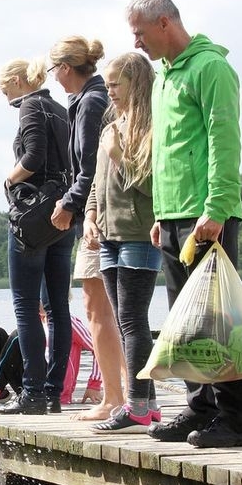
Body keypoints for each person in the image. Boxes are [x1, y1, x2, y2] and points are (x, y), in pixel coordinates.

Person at [127, 0, 242, 447]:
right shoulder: (163, 76)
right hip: (174, 216)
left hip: (206, 215)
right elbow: (169, 154)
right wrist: (162, 214)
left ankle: (237, 421)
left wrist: (216, 208)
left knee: (218, 320)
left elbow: (225, 142)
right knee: (184, 322)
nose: (137, 42)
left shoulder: (211, 68)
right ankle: (200, 408)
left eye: (140, 33)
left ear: (165, 23)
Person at [82, 52, 163, 432]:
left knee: (133, 320)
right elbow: (98, 183)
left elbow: (152, 186)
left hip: (138, 234)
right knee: (122, 319)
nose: (109, 90)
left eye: (116, 83)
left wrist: (121, 156)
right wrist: (89, 217)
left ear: (137, 83)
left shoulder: (151, 127)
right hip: (109, 236)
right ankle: (149, 404)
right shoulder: (110, 127)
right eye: (108, 83)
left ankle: (137, 405)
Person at [47, 35, 126, 422]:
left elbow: (91, 169)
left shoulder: (91, 102)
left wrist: (70, 203)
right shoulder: (89, 99)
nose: (55, 79)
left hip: (100, 217)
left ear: (65, 68)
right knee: (102, 306)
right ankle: (121, 394)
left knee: (99, 308)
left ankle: (115, 397)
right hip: (97, 215)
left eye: (54, 71)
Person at [0, 58, 74, 415]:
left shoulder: (30, 106)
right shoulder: (59, 107)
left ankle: (32, 393)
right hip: (62, 213)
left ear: (16, 80)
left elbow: (33, 156)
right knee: (58, 307)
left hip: (32, 216)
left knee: (26, 306)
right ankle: (54, 392)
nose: (3, 94)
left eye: (3, 87)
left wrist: (9, 181)